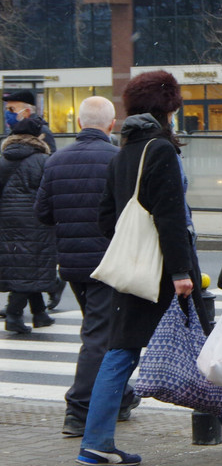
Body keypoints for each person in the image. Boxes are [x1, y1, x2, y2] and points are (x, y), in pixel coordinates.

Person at [81, 71, 222, 466]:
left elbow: (107, 218)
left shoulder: (123, 154)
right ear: (165, 109)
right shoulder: (160, 150)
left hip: (134, 273)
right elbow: (171, 217)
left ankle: (96, 441)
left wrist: (133, 249)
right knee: (198, 345)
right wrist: (179, 273)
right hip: (166, 274)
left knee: (120, 353)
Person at [35, 97, 140, 436]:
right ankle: (78, 410)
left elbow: (43, 213)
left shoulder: (56, 160)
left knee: (107, 330)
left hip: (72, 264)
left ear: (79, 123)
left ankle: (120, 397)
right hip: (109, 262)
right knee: (100, 336)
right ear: (112, 124)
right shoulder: (118, 159)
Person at [1, 117, 57, 334]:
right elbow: (48, 192)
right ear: (37, 138)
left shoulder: (3, 160)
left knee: (24, 266)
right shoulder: (42, 160)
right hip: (35, 220)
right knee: (30, 267)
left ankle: (39, 313)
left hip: (7, 222)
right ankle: (14, 315)